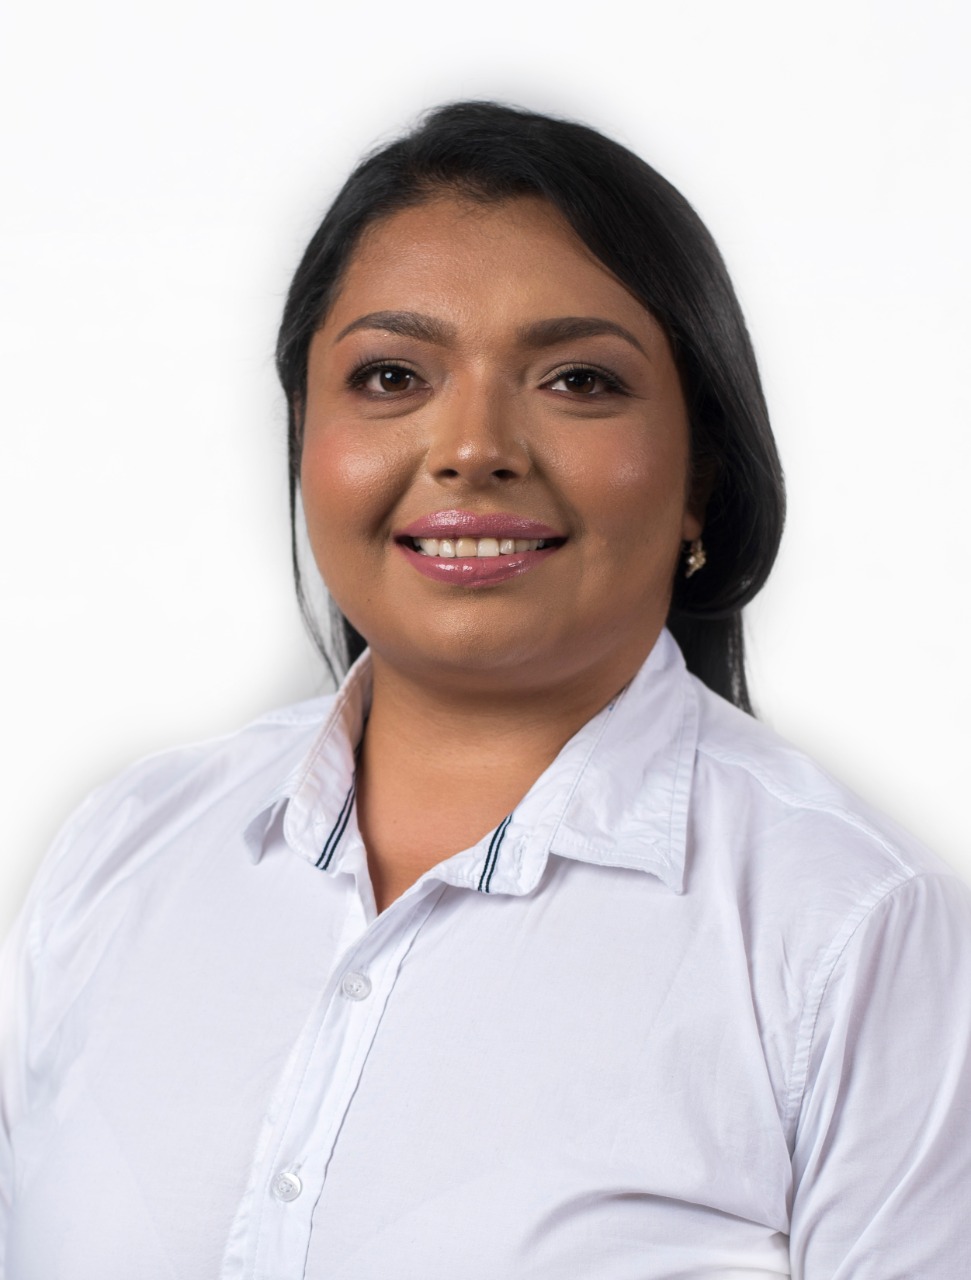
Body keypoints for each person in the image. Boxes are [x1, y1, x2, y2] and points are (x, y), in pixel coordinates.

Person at [0, 101, 969, 1279]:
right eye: (390, 374)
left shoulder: (853, 928)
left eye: (577, 379)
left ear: (700, 475)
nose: (470, 447)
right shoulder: (124, 850)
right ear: (305, 440)